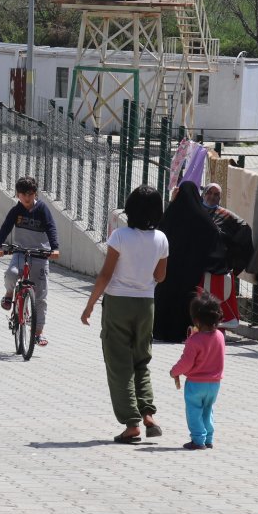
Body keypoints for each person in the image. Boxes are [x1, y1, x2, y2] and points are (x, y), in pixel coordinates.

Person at [82, 185, 169, 444]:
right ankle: (148, 413)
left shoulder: (120, 236)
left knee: (119, 363)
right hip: (146, 305)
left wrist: (90, 304)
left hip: (118, 303)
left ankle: (132, 424)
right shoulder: (162, 239)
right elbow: (160, 276)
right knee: (141, 361)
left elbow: (106, 274)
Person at [0, 176, 60, 347]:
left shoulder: (42, 209)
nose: (26, 198)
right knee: (12, 273)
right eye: (22, 194)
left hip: (40, 255)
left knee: (41, 297)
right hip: (20, 253)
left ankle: (38, 333)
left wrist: (54, 248)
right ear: (17, 195)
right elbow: (6, 226)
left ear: (35, 193)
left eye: (30, 194)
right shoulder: (16, 211)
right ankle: (9, 295)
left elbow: (51, 228)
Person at [155, 182, 221, 342]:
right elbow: (213, 233)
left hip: (169, 267)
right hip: (191, 270)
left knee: (165, 295)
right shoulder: (201, 217)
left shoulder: (172, 213)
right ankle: (182, 332)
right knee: (186, 298)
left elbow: (159, 231)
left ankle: (159, 331)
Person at [170, 291, 226, 450]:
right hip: (214, 384)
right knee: (208, 410)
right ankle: (209, 438)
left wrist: (174, 371)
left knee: (194, 411)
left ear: (196, 319)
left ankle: (198, 439)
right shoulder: (220, 337)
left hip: (196, 384)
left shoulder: (194, 340)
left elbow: (186, 363)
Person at [197, 182, 252, 327]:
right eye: (209, 193)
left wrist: (230, 251)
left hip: (218, 267)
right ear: (204, 194)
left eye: (216, 195)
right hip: (198, 264)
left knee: (220, 299)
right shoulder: (196, 211)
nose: (212, 197)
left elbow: (244, 229)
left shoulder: (225, 215)